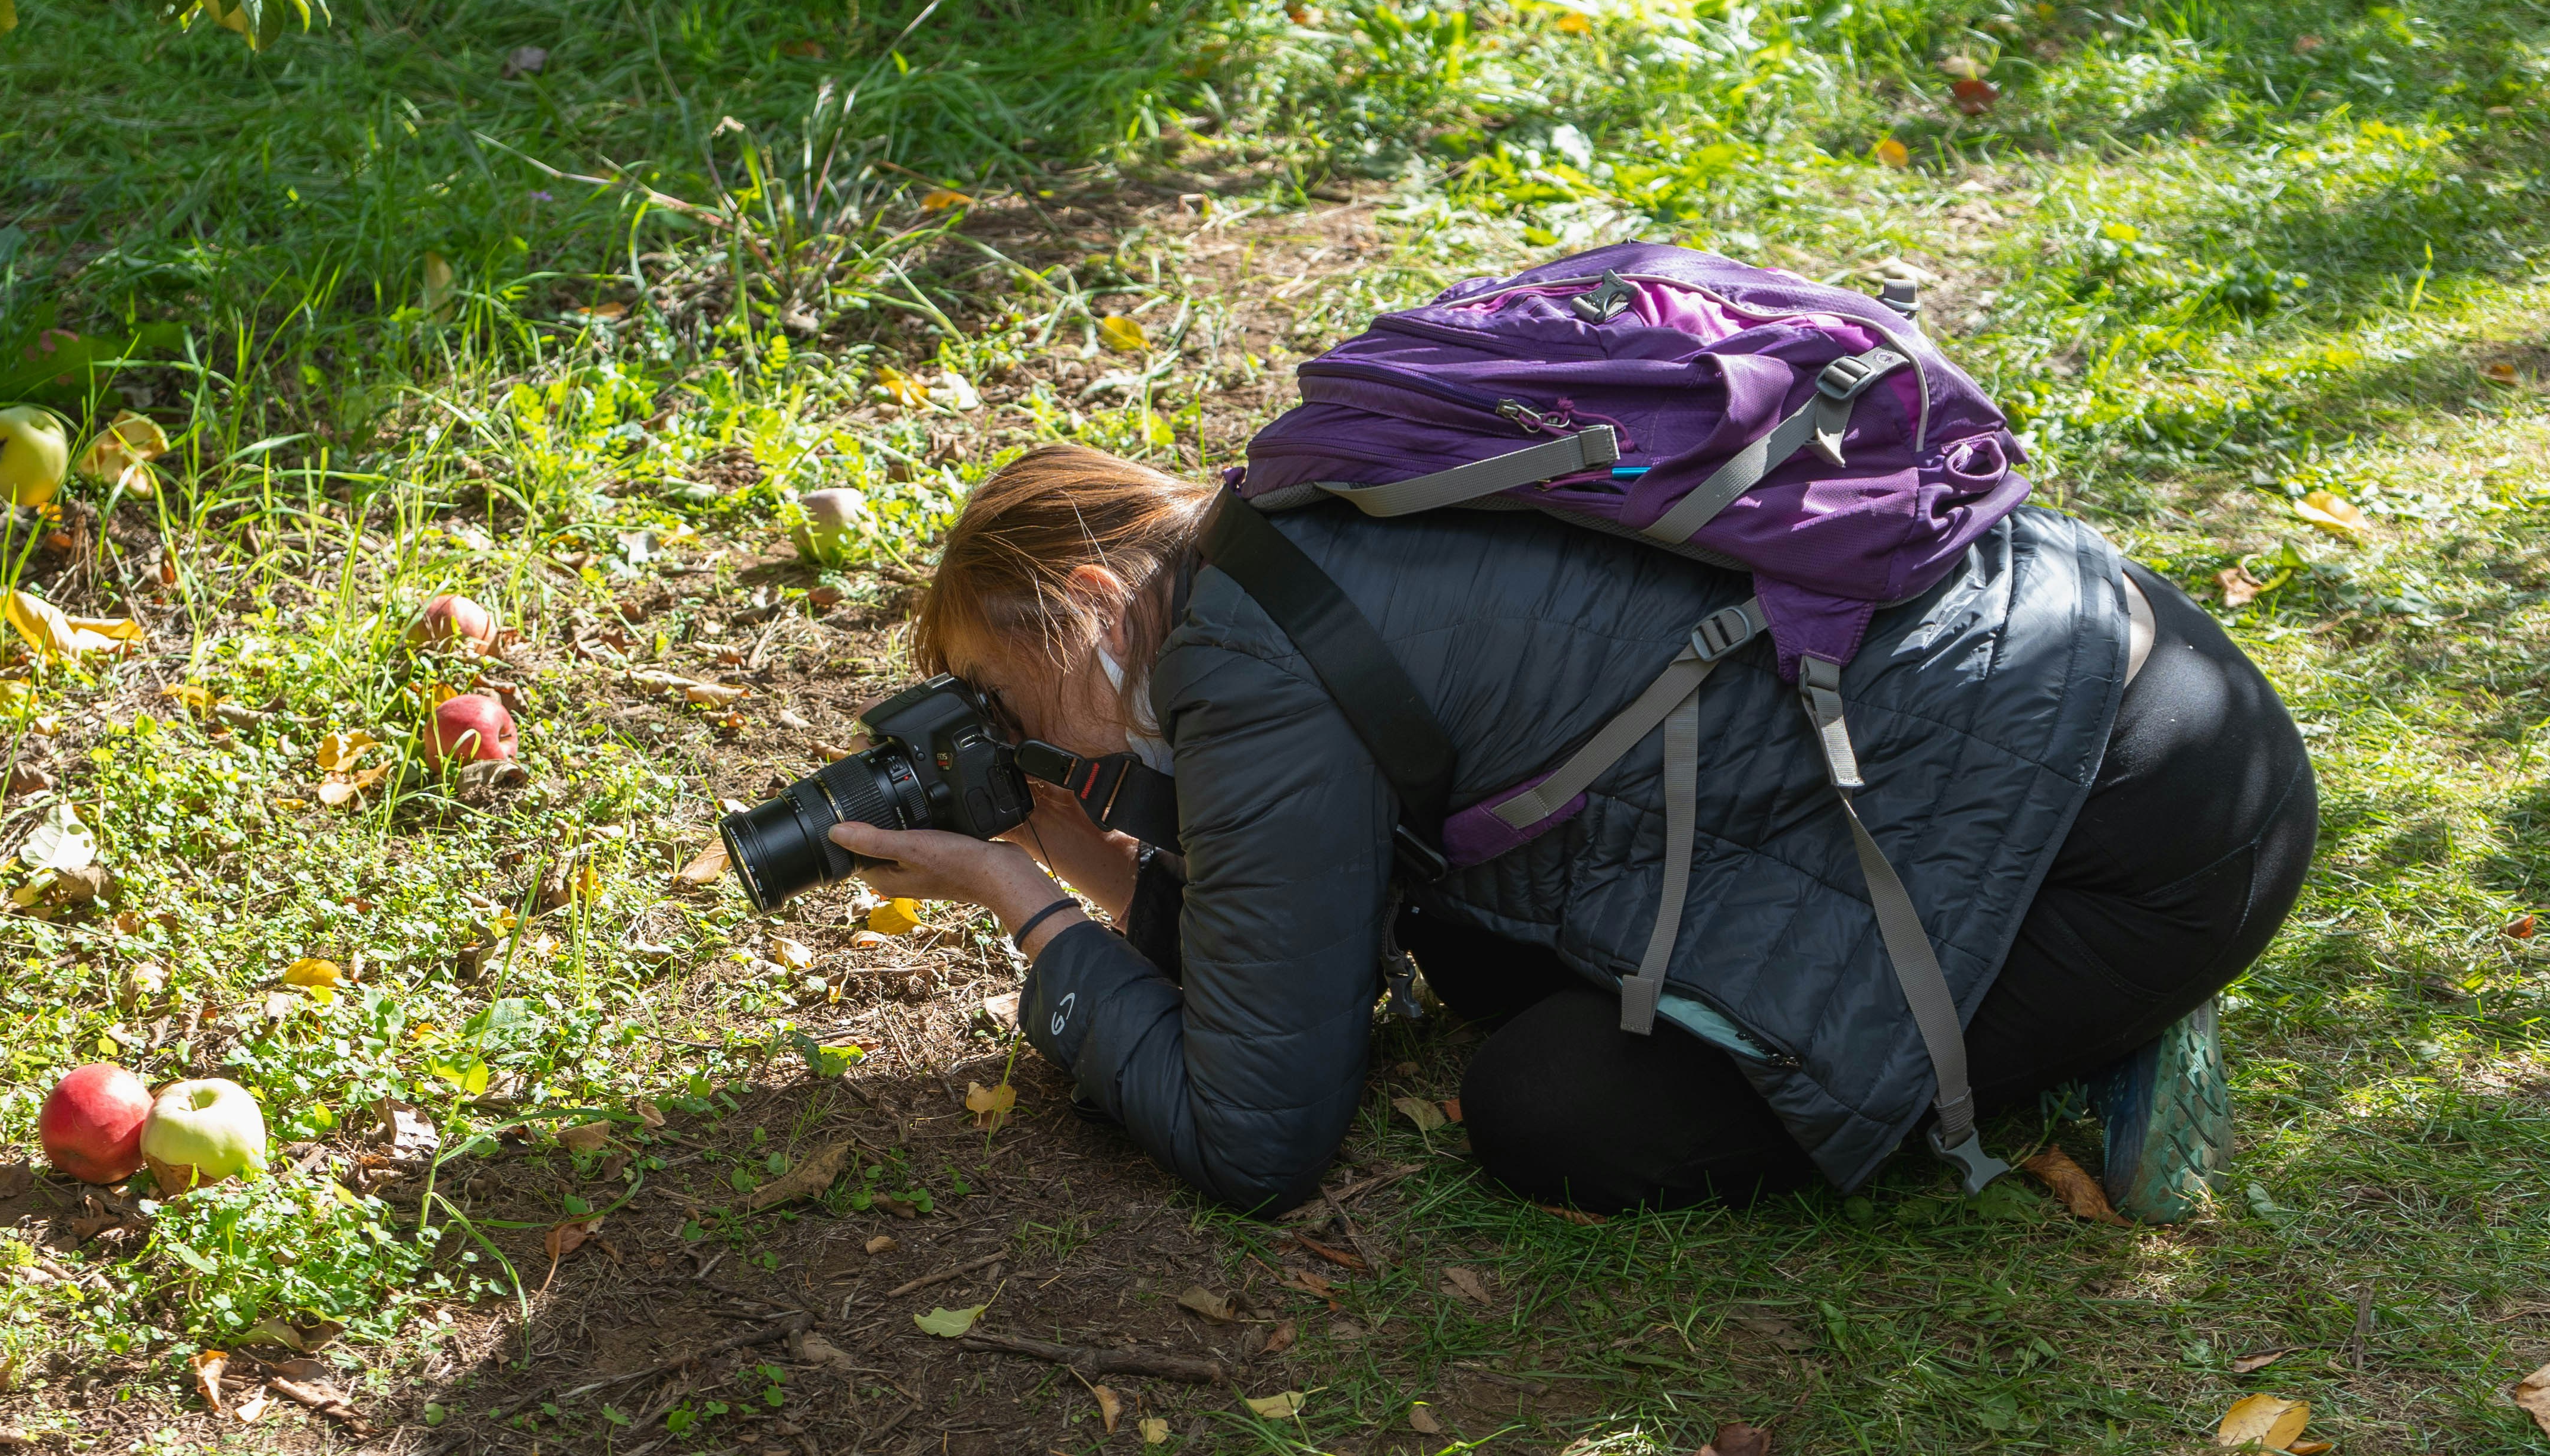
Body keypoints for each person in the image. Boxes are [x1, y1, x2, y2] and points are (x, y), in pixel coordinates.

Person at [829, 443, 2316, 1221]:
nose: (1001, 728)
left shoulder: (1245, 670)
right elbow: (1300, 922)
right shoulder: (1281, 523)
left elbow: (1255, 1139)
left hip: (2122, 847)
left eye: (994, 688)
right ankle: (2033, 990)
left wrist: (1024, 903)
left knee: (1551, 1105)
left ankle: (2098, 1028)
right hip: (2116, 678)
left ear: (1090, 613)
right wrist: (1095, 858)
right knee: (1470, 948)